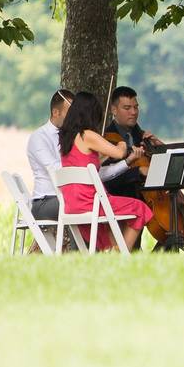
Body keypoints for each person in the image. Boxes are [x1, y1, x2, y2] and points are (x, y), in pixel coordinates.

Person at [27, 89, 145, 222]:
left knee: (102, 206)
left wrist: (125, 161)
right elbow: (59, 171)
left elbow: (94, 175)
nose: (74, 115)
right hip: (48, 200)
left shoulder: (73, 137)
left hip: (71, 198)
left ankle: (105, 242)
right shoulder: (39, 137)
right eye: (71, 112)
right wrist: (98, 156)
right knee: (92, 208)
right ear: (55, 112)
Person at [57, 92, 153, 252]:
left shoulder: (67, 138)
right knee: (139, 208)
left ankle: (115, 250)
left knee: (116, 218)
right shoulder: (87, 134)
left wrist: (103, 154)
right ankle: (122, 254)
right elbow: (120, 153)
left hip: (72, 203)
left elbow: (90, 165)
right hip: (91, 202)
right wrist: (122, 143)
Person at [102, 86, 159, 199]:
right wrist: (138, 172)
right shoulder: (106, 140)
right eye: (127, 108)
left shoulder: (143, 136)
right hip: (126, 200)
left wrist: (160, 148)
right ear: (114, 110)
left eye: (136, 107)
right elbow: (106, 180)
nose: (133, 112)